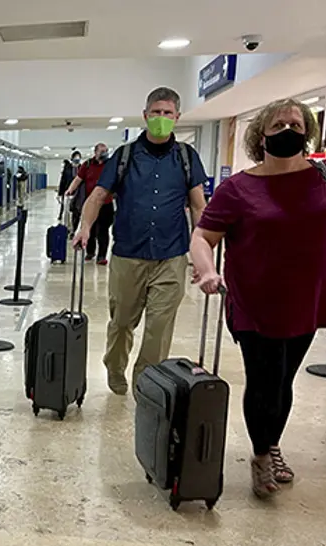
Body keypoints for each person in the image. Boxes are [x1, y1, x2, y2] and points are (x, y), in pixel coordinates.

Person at [190, 97, 326, 499]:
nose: (288, 131)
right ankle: (262, 453)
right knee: (264, 379)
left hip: (309, 298)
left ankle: (273, 441)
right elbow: (202, 236)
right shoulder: (239, 188)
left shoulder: (324, 176)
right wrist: (208, 270)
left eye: (296, 126)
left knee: (284, 379)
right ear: (260, 134)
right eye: (279, 124)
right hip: (256, 300)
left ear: (308, 134)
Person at [72, 87, 208, 396]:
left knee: (159, 330)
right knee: (121, 323)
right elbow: (97, 196)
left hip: (170, 256)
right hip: (128, 255)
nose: (162, 118)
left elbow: (198, 206)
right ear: (145, 116)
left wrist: (203, 254)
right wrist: (85, 228)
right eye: (156, 113)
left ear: (177, 117)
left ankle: (146, 382)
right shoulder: (125, 156)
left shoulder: (187, 157)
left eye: (168, 114)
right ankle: (114, 365)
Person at [64, 143, 112, 263]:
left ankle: (102, 256)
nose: (104, 153)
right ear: (95, 152)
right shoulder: (88, 164)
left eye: (106, 151)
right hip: (90, 203)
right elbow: (78, 179)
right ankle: (90, 252)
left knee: (103, 231)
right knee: (89, 228)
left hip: (106, 203)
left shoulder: (110, 165)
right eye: (102, 151)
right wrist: (70, 189)